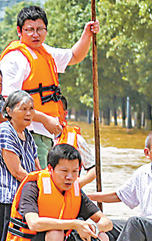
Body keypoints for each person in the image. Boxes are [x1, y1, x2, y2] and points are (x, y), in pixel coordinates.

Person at [0, 5, 100, 168]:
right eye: (29, 30)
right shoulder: (14, 59)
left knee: (50, 184)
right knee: (38, 183)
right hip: (28, 134)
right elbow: (9, 104)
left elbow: (74, 56)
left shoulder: (45, 52)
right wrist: (45, 119)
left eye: (40, 29)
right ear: (19, 31)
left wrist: (87, 34)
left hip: (48, 135)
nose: (35, 34)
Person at [3, 144, 112, 241]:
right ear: (50, 169)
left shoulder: (75, 191)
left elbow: (107, 222)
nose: (69, 177)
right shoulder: (32, 187)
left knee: (102, 235)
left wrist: (93, 229)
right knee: (56, 234)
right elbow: (34, 223)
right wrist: (75, 224)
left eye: (74, 171)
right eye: (64, 171)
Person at [0, 90, 40, 241]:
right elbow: (17, 171)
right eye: (23, 109)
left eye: (31, 109)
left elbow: (37, 167)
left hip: (25, 196)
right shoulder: (5, 131)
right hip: (8, 199)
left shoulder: (28, 135)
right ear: (9, 111)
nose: (29, 113)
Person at [54, 96, 96, 188]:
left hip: (69, 192)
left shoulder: (76, 139)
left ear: (64, 114)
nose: (52, 116)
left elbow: (93, 169)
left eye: (56, 112)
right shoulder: (33, 137)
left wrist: (77, 185)